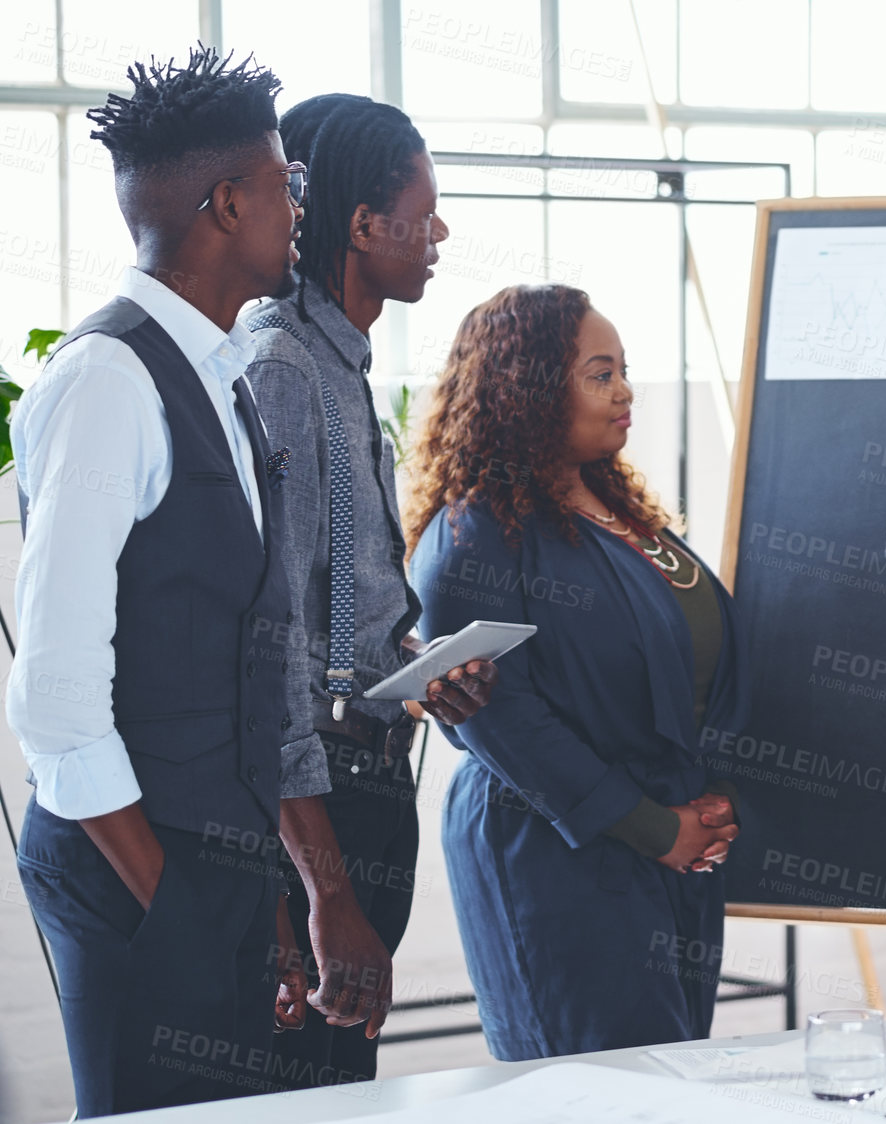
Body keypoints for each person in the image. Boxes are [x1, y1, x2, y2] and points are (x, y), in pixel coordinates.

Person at [6, 48, 385, 1114]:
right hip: (134, 867)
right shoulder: (105, 383)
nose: (297, 206)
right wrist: (179, 904)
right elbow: (59, 707)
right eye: (283, 185)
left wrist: (266, 896)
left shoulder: (221, 372)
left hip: (207, 858)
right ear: (226, 204)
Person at [404, 284, 747, 1059]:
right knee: (605, 1090)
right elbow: (500, 718)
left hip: (674, 841)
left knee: (668, 1081)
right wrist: (656, 828)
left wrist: (701, 807)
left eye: (624, 369)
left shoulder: (620, 512)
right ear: (526, 390)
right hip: (558, 853)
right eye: (600, 374)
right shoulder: (475, 532)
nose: (625, 390)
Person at [243, 93, 497, 1088]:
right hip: (317, 805)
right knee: (301, 1078)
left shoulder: (343, 370)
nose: (438, 233)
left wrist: (419, 668)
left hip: (369, 776)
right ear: (360, 224)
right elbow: (268, 648)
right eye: (424, 210)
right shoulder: (281, 369)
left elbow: (337, 621)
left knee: (341, 1071)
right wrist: (319, 891)